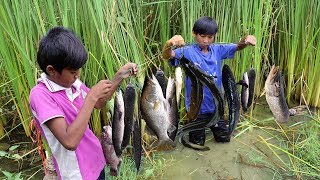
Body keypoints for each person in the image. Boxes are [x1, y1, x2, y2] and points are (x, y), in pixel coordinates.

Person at [29, 26, 138, 180]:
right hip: (76, 174)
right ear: (51, 70)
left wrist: (119, 76)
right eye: (73, 72)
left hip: (96, 162)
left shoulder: (72, 83)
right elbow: (69, 141)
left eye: (78, 70)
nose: (78, 75)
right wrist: (91, 97)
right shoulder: (40, 95)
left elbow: (98, 103)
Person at [162, 16, 256, 145]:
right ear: (194, 34)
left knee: (224, 139)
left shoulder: (218, 49)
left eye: (210, 37)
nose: (206, 40)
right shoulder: (187, 51)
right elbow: (167, 55)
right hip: (196, 110)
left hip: (216, 108)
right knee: (196, 143)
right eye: (202, 36)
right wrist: (169, 44)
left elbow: (238, 46)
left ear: (214, 36)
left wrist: (246, 40)